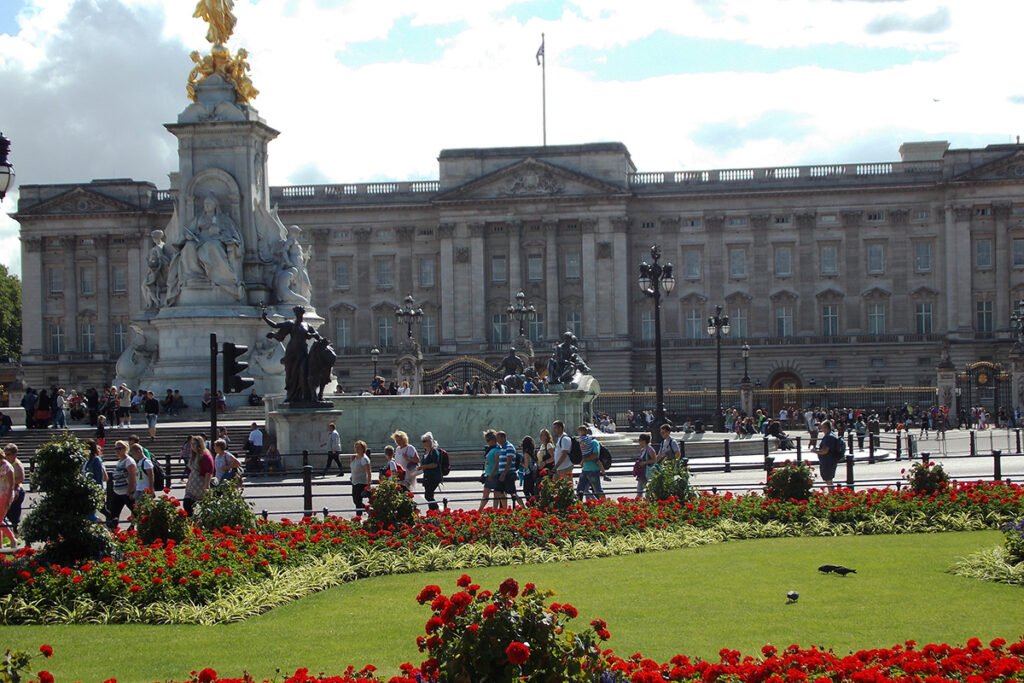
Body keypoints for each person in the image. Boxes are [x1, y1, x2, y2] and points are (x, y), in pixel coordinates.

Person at [106, 441, 137, 530]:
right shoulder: (120, 461)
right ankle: (114, 530)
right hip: (118, 492)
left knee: (135, 511)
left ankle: (134, 527)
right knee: (113, 513)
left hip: (126, 491)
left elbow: (132, 476)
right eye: (116, 449)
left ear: (125, 449)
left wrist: (130, 490)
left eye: (119, 448)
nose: (117, 451)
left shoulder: (129, 461)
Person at [183, 435, 215, 515]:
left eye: (194, 444)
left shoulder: (205, 455)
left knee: (204, 507)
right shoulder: (195, 455)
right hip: (192, 485)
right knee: (187, 504)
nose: (192, 446)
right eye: (191, 444)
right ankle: (191, 522)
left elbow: (209, 471)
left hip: (201, 484)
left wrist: (206, 485)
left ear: (199, 444)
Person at [576, 425, 605, 501]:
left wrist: (584, 460)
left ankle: (606, 504)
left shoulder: (594, 442)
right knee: (580, 490)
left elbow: (595, 455)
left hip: (593, 470)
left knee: (598, 490)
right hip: (585, 470)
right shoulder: (585, 442)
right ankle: (582, 506)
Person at [477, 430, 503, 511]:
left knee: (497, 495)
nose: (487, 442)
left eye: (488, 440)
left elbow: (497, 464)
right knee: (486, 494)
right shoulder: (490, 449)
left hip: (494, 475)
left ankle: (495, 511)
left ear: (493, 440)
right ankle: (480, 510)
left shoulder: (497, 449)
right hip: (489, 474)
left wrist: (491, 474)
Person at [2, 444, 24, 537]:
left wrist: (9, 480)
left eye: (8, 454)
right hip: (5, 491)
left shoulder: (17, 465)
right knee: (4, 516)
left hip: (15, 491)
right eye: (5, 454)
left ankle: (16, 535)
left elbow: (21, 478)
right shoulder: (5, 463)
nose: (6, 456)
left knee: (13, 515)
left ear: (15, 454)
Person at [496, 430, 522, 508]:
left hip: (508, 474)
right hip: (502, 474)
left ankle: (523, 507)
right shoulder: (501, 448)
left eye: (498, 438)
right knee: (501, 492)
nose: (497, 440)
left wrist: (504, 474)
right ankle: (505, 510)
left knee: (513, 493)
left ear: (503, 437)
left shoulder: (509, 447)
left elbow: (509, 462)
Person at [419, 431, 443, 512]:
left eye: (425, 441)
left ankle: (437, 510)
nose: (423, 443)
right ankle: (432, 512)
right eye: (423, 441)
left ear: (430, 441)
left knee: (428, 495)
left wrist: (425, 466)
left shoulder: (434, 451)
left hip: (434, 477)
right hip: (427, 477)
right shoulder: (425, 453)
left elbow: (435, 464)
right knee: (429, 495)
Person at [816, 419, 841, 492]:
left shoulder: (829, 437)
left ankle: (832, 494)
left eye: (822, 427)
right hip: (830, 460)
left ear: (826, 428)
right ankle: (832, 493)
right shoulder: (832, 434)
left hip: (828, 461)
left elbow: (825, 451)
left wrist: (815, 451)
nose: (821, 429)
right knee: (829, 480)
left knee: (828, 480)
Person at [350, 440, 372, 518]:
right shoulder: (354, 457)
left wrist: (369, 485)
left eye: (359, 448)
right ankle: (366, 509)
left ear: (363, 449)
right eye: (356, 447)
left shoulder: (364, 459)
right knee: (355, 500)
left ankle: (358, 517)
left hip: (361, 482)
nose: (357, 449)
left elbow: (368, 472)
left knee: (358, 501)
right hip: (354, 482)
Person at [0, 448, 17, 548]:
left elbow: (11, 485)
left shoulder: (7, 467)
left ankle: (12, 539)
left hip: (6, 494)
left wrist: (8, 500)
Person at [634, 432, 658, 498]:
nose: (639, 442)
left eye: (640, 440)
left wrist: (644, 463)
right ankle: (640, 503)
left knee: (649, 490)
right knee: (639, 489)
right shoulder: (643, 450)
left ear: (644, 441)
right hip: (643, 473)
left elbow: (654, 460)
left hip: (648, 472)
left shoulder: (650, 449)